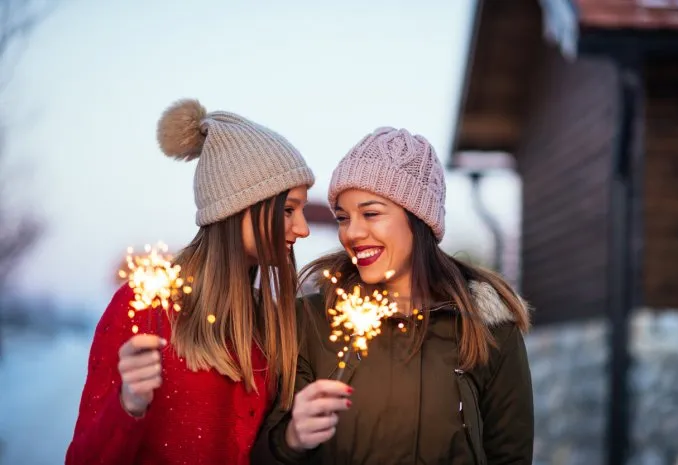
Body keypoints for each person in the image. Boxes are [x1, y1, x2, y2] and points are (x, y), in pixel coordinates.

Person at [254, 127, 533, 464]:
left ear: (418, 218)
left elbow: (510, 455)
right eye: (343, 218)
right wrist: (290, 439)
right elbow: (260, 451)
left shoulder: (488, 328)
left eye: (371, 214)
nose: (352, 233)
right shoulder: (309, 321)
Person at [66, 98, 315, 465]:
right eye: (289, 210)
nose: (304, 229)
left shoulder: (271, 321)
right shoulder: (146, 307)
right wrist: (129, 404)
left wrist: (293, 438)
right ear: (238, 206)